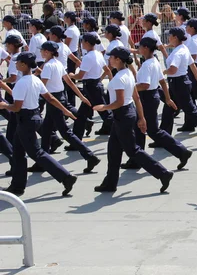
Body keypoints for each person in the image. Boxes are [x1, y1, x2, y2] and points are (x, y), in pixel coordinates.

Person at [91, 47, 174, 193]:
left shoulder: (119, 78)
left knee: (133, 150)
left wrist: (103, 107)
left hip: (122, 115)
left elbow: (119, 102)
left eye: (111, 57)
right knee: (113, 150)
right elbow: (136, 98)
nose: (109, 59)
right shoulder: (128, 73)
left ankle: (162, 173)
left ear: (118, 60)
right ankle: (110, 183)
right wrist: (141, 118)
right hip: (127, 114)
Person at [0, 52, 78, 197]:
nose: (15, 64)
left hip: (25, 120)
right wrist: (66, 111)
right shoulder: (36, 80)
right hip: (33, 117)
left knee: (36, 153)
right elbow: (51, 98)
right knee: (18, 154)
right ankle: (17, 186)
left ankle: (65, 176)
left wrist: (4, 106)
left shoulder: (20, 83)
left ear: (23, 65)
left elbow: (16, 107)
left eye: (18, 62)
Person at [36, 41, 100, 172]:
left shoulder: (48, 66)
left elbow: (41, 86)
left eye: (42, 50)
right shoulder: (57, 63)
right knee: (47, 130)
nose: (41, 52)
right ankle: (42, 161)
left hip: (54, 100)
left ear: (47, 52)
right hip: (60, 97)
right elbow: (70, 83)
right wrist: (81, 96)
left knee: (65, 132)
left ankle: (89, 156)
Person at [132, 37, 193, 170]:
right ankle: (137, 159)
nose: (138, 49)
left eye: (140, 47)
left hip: (147, 97)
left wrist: (131, 88)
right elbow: (162, 81)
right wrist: (167, 98)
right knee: (141, 128)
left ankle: (181, 151)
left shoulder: (148, 65)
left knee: (152, 130)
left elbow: (145, 85)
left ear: (146, 48)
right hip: (152, 96)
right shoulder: (153, 61)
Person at [159, 27, 197, 148]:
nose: (168, 38)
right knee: (168, 109)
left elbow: (173, 69)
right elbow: (192, 65)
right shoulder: (183, 49)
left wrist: (161, 73)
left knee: (191, 111)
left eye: (170, 36)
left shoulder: (178, 52)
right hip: (179, 82)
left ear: (175, 37)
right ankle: (162, 137)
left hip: (179, 83)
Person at [69, 33, 113, 139]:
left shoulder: (88, 57)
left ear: (87, 43)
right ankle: (76, 140)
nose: (81, 44)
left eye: (82, 41)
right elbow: (107, 70)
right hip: (94, 85)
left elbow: (80, 75)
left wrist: (71, 75)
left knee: (105, 113)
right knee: (81, 115)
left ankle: (124, 130)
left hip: (92, 87)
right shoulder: (98, 54)